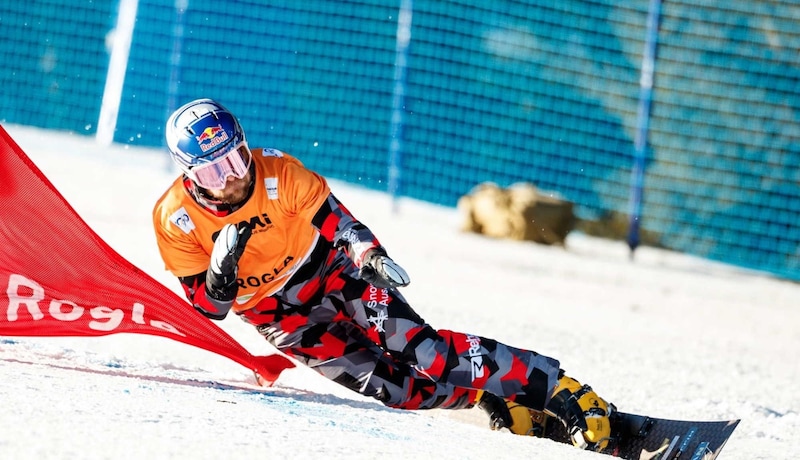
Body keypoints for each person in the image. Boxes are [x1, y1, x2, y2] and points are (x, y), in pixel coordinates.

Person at [152, 98, 614, 450]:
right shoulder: (175, 219)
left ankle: (558, 389)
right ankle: (486, 399)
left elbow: (340, 224)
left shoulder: (280, 173)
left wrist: (369, 256)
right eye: (215, 172)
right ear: (190, 174)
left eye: (235, 159)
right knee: (397, 389)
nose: (232, 179)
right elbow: (211, 309)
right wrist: (221, 272)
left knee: (422, 349)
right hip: (278, 316)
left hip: (332, 272)